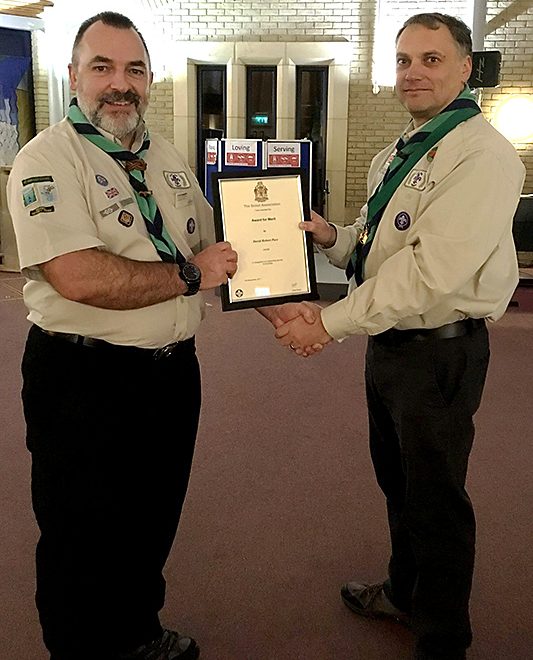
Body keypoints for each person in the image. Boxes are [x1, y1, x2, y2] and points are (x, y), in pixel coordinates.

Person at [273, 13, 525, 660]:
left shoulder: (482, 155)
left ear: (465, 68)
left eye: (431, 59)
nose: (413, 71)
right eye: (404, 59)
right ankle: (403, 593)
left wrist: (325, 324)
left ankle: (443, 638)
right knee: (400, 486)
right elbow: (381, 244)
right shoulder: (401, 151)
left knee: (436, 500)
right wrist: (335, 239)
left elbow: (430, 273)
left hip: (439, 352)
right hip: (389, 348)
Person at [6, 11, 241, 660]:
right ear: (74, 75)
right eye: (102, 67)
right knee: (79, 534)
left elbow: (214, 244)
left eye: (133, 69)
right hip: (83, 378)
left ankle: (137, 631)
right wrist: (192, 274)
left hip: (169, 375)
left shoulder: (164, 157)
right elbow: (79, 276)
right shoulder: (46, 159)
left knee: (150, 520)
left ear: (150, 80)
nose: (120, 84)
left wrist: (280, 272)